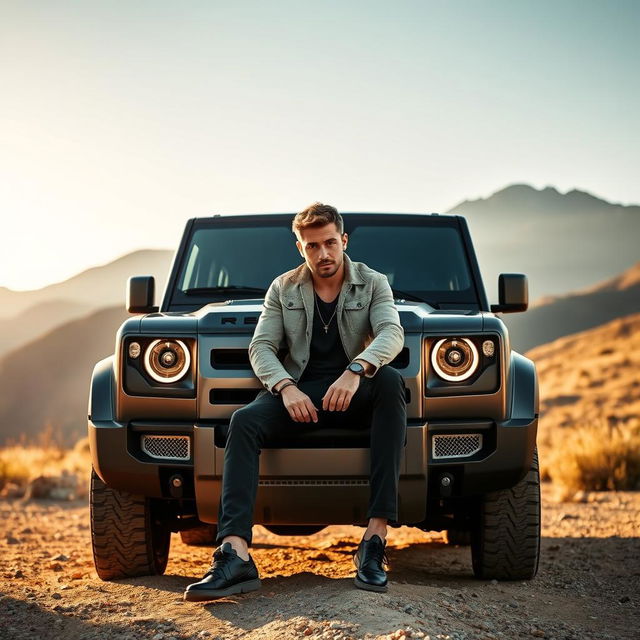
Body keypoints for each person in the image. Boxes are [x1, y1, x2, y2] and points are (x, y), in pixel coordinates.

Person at [184, 203, 406, 601]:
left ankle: (374, 542)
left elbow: (392, 333)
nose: (323, 254)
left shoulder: (373, 283)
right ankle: (234, 554)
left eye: (330, 243)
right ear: (300, 248)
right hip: (299, 393)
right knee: (244, 421)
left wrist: (356, 371)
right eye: (312, 246)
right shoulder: (283, 287)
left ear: (344, 241)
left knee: (389, 384)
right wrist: (285, 387)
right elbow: (262, 346)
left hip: (351, 390)